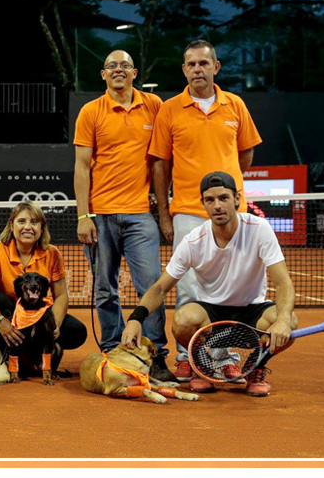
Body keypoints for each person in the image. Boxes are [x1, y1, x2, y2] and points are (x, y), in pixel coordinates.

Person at [121, 172, 298, 397]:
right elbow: (160, 288)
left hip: (252, 312)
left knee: (290, 322)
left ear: (237, 199)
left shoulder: (259, 229)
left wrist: (281, 321)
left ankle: (256, 367)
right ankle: (201, 366)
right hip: (211, 317)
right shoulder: (194, 241)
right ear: (203, 203)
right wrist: (135, 319)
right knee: (183, 319)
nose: (217, 205)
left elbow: (283, 283)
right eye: (210, 200)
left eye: (223, 198)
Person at [149, 40, 263, 382]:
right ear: (184, 70)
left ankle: (225, 357)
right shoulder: (170, 109)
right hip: (186, 210)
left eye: (203, 63)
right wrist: (166, 215)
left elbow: (244, 155)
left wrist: (229, 195)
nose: (197, 69)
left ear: (216, 67)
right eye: (191, 64)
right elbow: (160, 165)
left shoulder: (236, 105)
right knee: (187, 288)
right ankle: (189, 358)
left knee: (229, 291)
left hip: (231, 215)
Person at [73, 49, 173, 382]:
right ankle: (112, 349)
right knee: (105, 289)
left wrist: (162, 211)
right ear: (103, 75)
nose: (119, 70)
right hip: (100, 214)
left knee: (151, 286)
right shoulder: (90, 112)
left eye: (125, 66)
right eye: (112, 66)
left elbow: (162, 159)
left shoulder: (155, 106)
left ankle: (156, 354)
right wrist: (83, 215)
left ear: (134, 72)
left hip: (141, 215)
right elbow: (82, 166)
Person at [0, 201, 88, 373]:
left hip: (38, 313)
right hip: (11, 315)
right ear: (11, 225)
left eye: (34, 222)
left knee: (77, 331)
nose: (28, 227)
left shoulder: (52, 253)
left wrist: (55, 324)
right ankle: (4, 355)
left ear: (42, 228)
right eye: (22, 221)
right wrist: (0, 322)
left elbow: (61, 295)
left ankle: (35, 355)